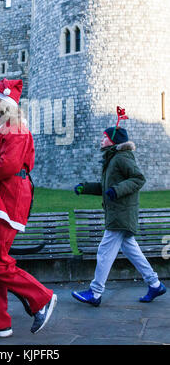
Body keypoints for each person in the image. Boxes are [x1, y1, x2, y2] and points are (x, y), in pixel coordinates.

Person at [0, 78, 57, 338]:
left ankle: (41, 298)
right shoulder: (4, 129)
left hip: (7, 201)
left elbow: (6, 166)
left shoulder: (15, 128)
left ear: (4, 102)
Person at [72, 119, 166, 306]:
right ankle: (155, 284)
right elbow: (108, 187)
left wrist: (117, 190)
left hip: (121, 214)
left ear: (113, 141)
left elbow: (139, 179)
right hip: (118, 212)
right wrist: (86, 187)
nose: (101, 140)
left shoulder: (122, 157)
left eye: (104, 137)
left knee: (104, 251)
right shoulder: (112, 158)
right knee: (131, 250)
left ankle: (95, 292)